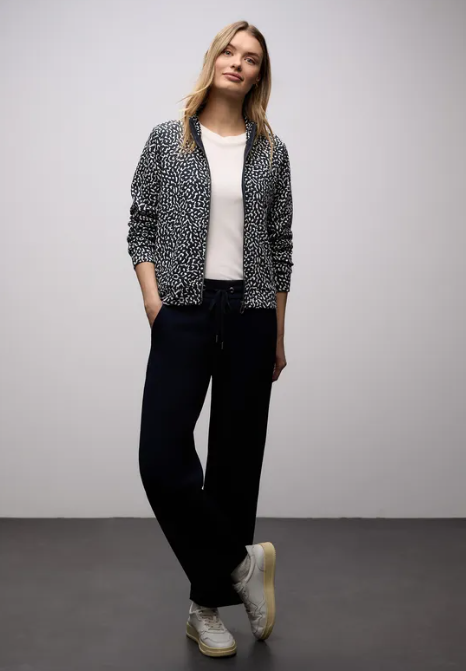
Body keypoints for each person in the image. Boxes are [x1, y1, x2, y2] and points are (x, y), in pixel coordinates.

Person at [127, 20, 294, 658]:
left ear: (258, 76)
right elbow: (140, 224)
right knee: (161, 457)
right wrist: (154, 301)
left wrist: (278, 330)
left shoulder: (272, 151)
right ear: (213, 57)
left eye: (251, 58)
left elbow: (280, 246)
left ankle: (206, 609)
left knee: (234, 463)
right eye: (230, 50)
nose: (238, 62)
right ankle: (242, 563)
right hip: (185, 309)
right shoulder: (168, 140)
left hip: (251, 313)